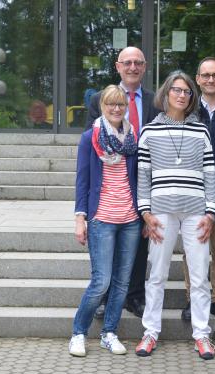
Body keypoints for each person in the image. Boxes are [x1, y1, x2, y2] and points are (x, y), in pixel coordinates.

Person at [135, 71, 215, 360]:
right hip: (160, 212)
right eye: (177, 90)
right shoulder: (150, 131)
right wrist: (145, 212)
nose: (182, 95)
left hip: (196, 211)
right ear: (166, 93)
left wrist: (211, 212)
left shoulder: (201, 131)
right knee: (156, 274)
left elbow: (210, 173)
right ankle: (150, 333)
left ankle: (202, 335)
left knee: (199, 277)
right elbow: (143, 174)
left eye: (187, 91)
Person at [85, 46, 161, 320]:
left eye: (137, 62)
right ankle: (104, 297)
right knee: (107, 243)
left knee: (139, 242)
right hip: (110, 183)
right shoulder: (99, 99)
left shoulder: (156, 101)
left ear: (145, 66)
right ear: (117, 66)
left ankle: (135, 295)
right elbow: (91, 142)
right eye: (126, 62)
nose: (132, 67)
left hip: (143, 179)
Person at [69, 85, 142, 357]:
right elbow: (82, 180)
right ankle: (78, 332)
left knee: (122, 282)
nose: (116, 109)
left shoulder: (134, 138)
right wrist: (80, 219)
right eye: (110, 104)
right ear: (102, 107)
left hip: (131, 219)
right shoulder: (91, 138)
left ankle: (109, 333)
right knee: (101, 281)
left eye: (120, 105)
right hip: (102, 218)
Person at [180, 57, 215, 323]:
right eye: (205, 75)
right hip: (192, 193)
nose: (211, 79)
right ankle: (193, 298)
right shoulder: (187, 112)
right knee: (193, 248)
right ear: (198, 79)